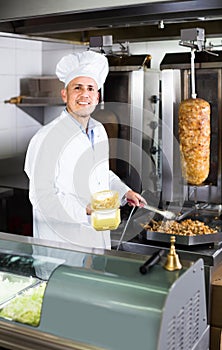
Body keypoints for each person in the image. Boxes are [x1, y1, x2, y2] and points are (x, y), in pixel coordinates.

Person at [24, 50, 146, 253]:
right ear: (65, 94)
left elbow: (100, 174)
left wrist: (125, 192)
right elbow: (41, 197)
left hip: (96, 239)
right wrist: (85, 209)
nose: (84, 94)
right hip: (61, 245)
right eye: (77, 88)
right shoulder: (46, 138)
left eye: (90, 88)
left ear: (97, 97)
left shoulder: (98, 130)